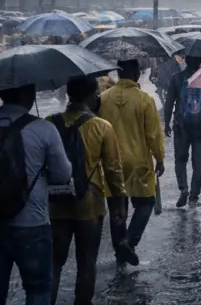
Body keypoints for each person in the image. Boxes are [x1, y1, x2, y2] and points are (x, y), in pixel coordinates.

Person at [49, 76, 131, 304]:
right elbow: (114, 172)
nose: (98, 97)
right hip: (90, 205)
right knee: (86, 263)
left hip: (55, 206)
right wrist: (119, 206)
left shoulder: (49, 123)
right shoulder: (101, 127)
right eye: (96, 93)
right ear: (88, 96)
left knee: (54, 264)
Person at [0, 84, 72, 305]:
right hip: (32, 224)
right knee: (38, 290)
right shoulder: (43, 129)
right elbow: (63, 174)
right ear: (26, 95)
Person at [100, 59, 165, 265]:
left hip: (111, 163)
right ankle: (130, 241)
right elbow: (153, 135)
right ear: (136, 72)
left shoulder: (102, 99)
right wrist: (160, 158)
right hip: (138, 162)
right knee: (146, 203)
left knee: (117, 209)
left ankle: (120, 254)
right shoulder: (145, 100)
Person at [164, 55, 201, 208]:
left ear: (186, 61)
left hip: (181, 126)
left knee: (180, 160)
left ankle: (183, 188)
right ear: (199, 62)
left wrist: (167, 124)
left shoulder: (177, 78)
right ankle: (194, 198)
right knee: (198, 164)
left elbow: (169, 102)